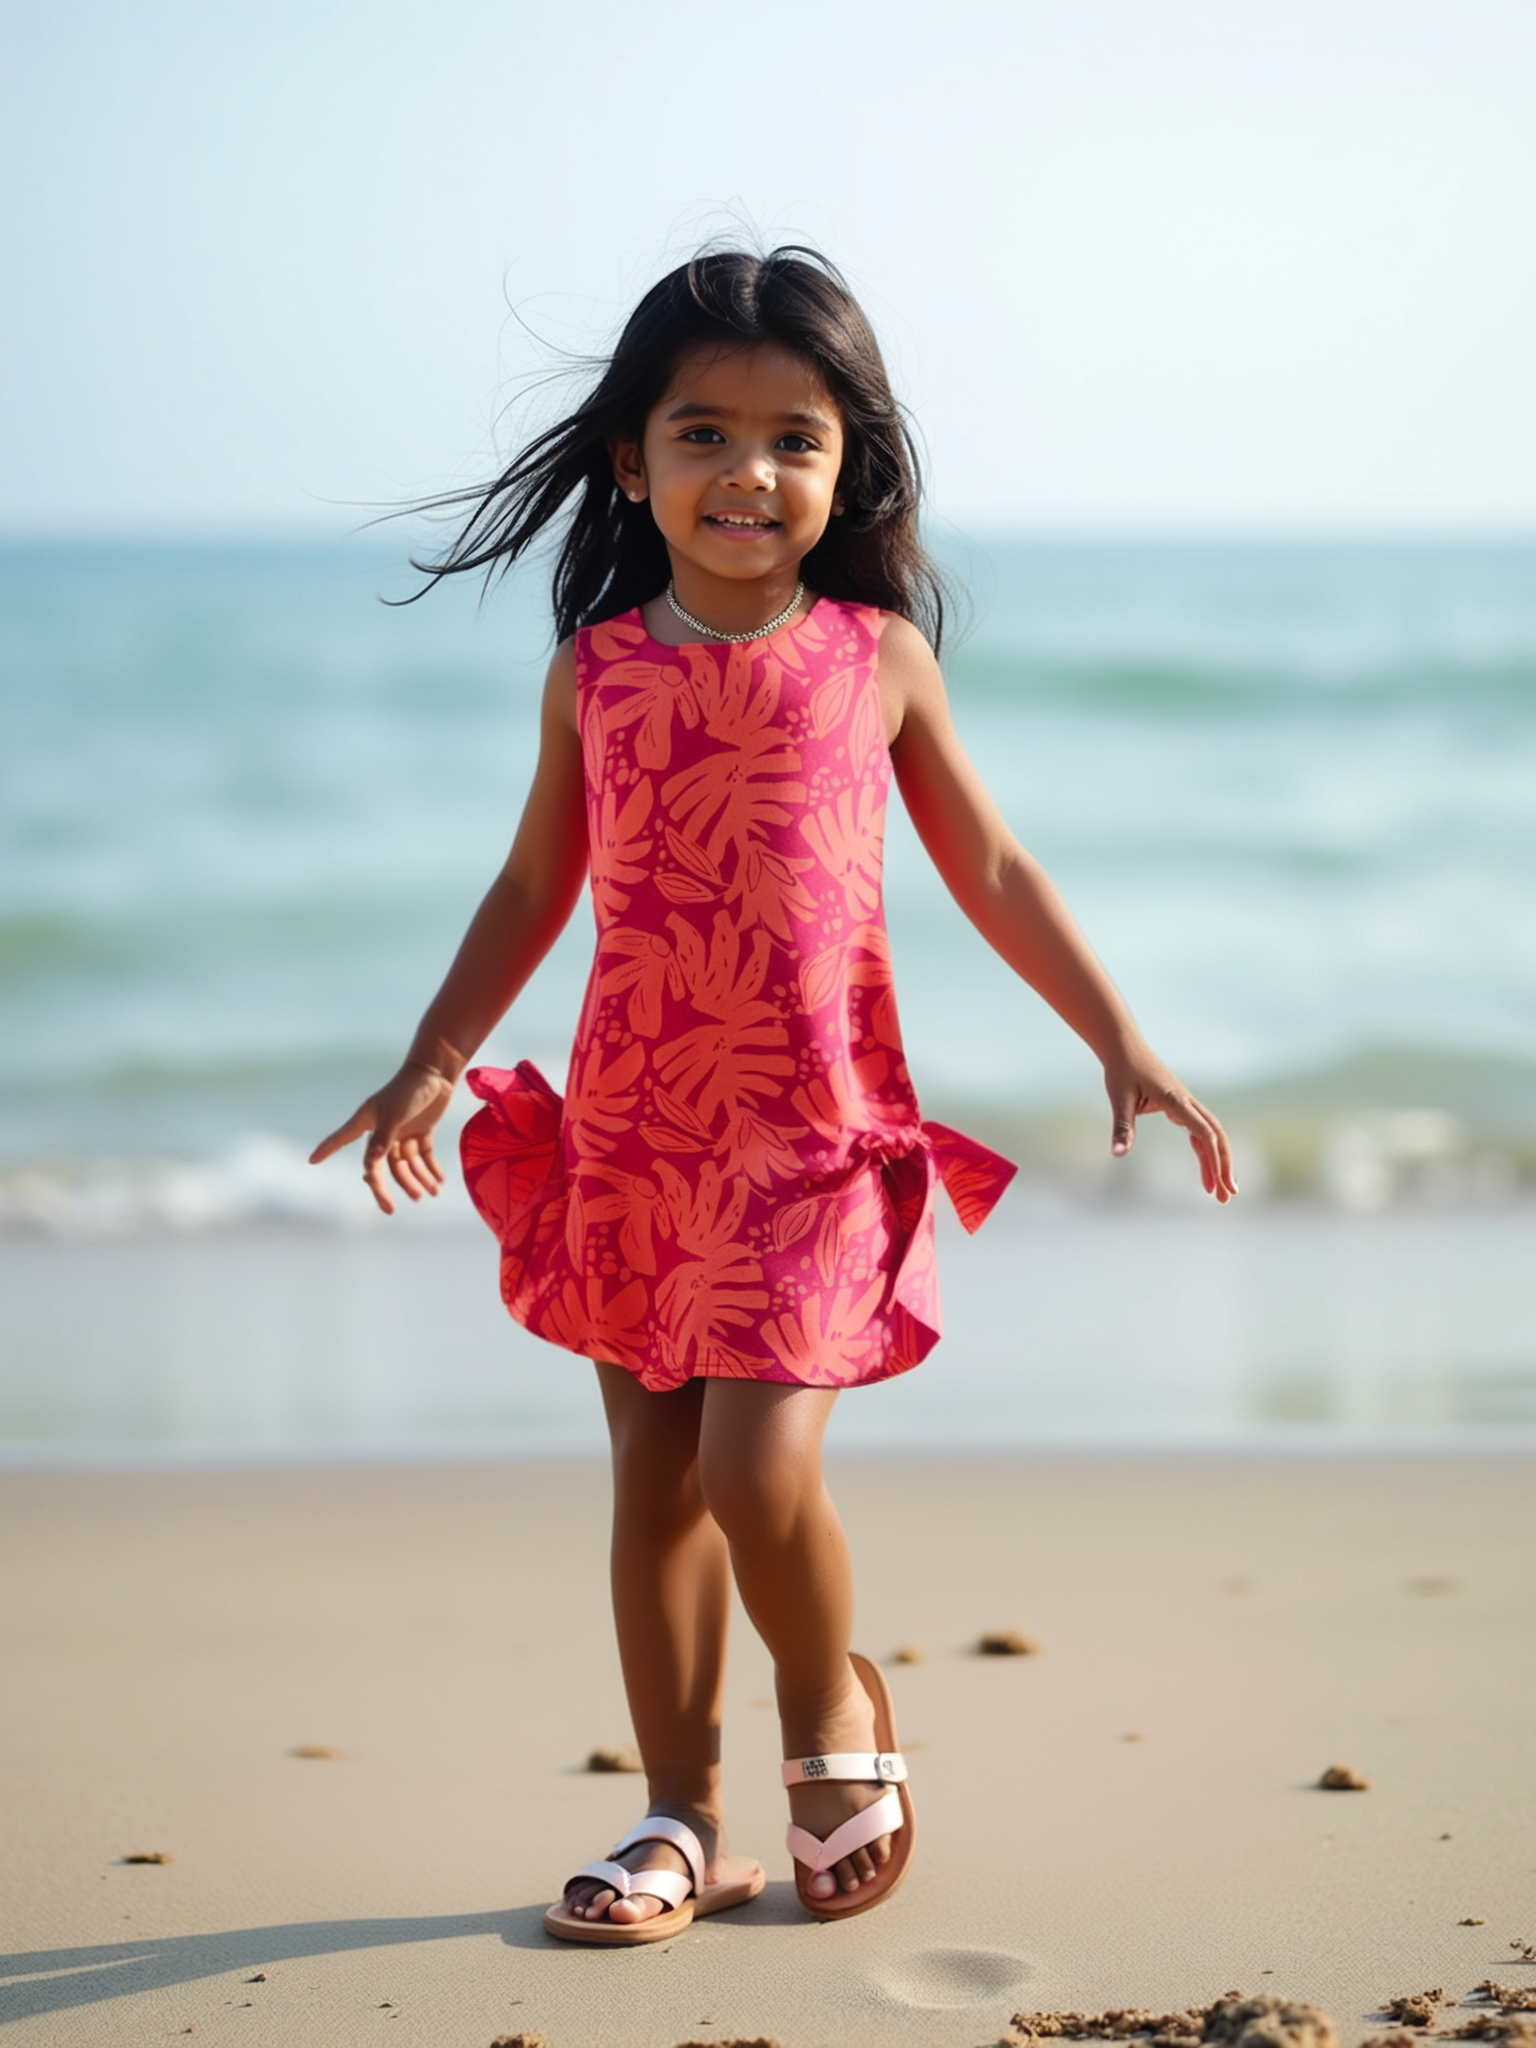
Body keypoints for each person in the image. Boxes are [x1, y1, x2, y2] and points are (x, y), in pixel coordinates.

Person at [311, 246, 1237, 1945]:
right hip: (637, 1134)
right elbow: (532, 888)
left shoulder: (873, 657)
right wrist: (436, 1056)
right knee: (653, 1485)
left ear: (846, 466)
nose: (748, 472)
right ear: (631, 460)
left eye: (794, 438)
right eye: (703, 433)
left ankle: (835, 1715)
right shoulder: (593, 672)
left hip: (812, 1144)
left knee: (754, 1469)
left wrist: (1120, 1032)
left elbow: (996, 866)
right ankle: (679, 1818)